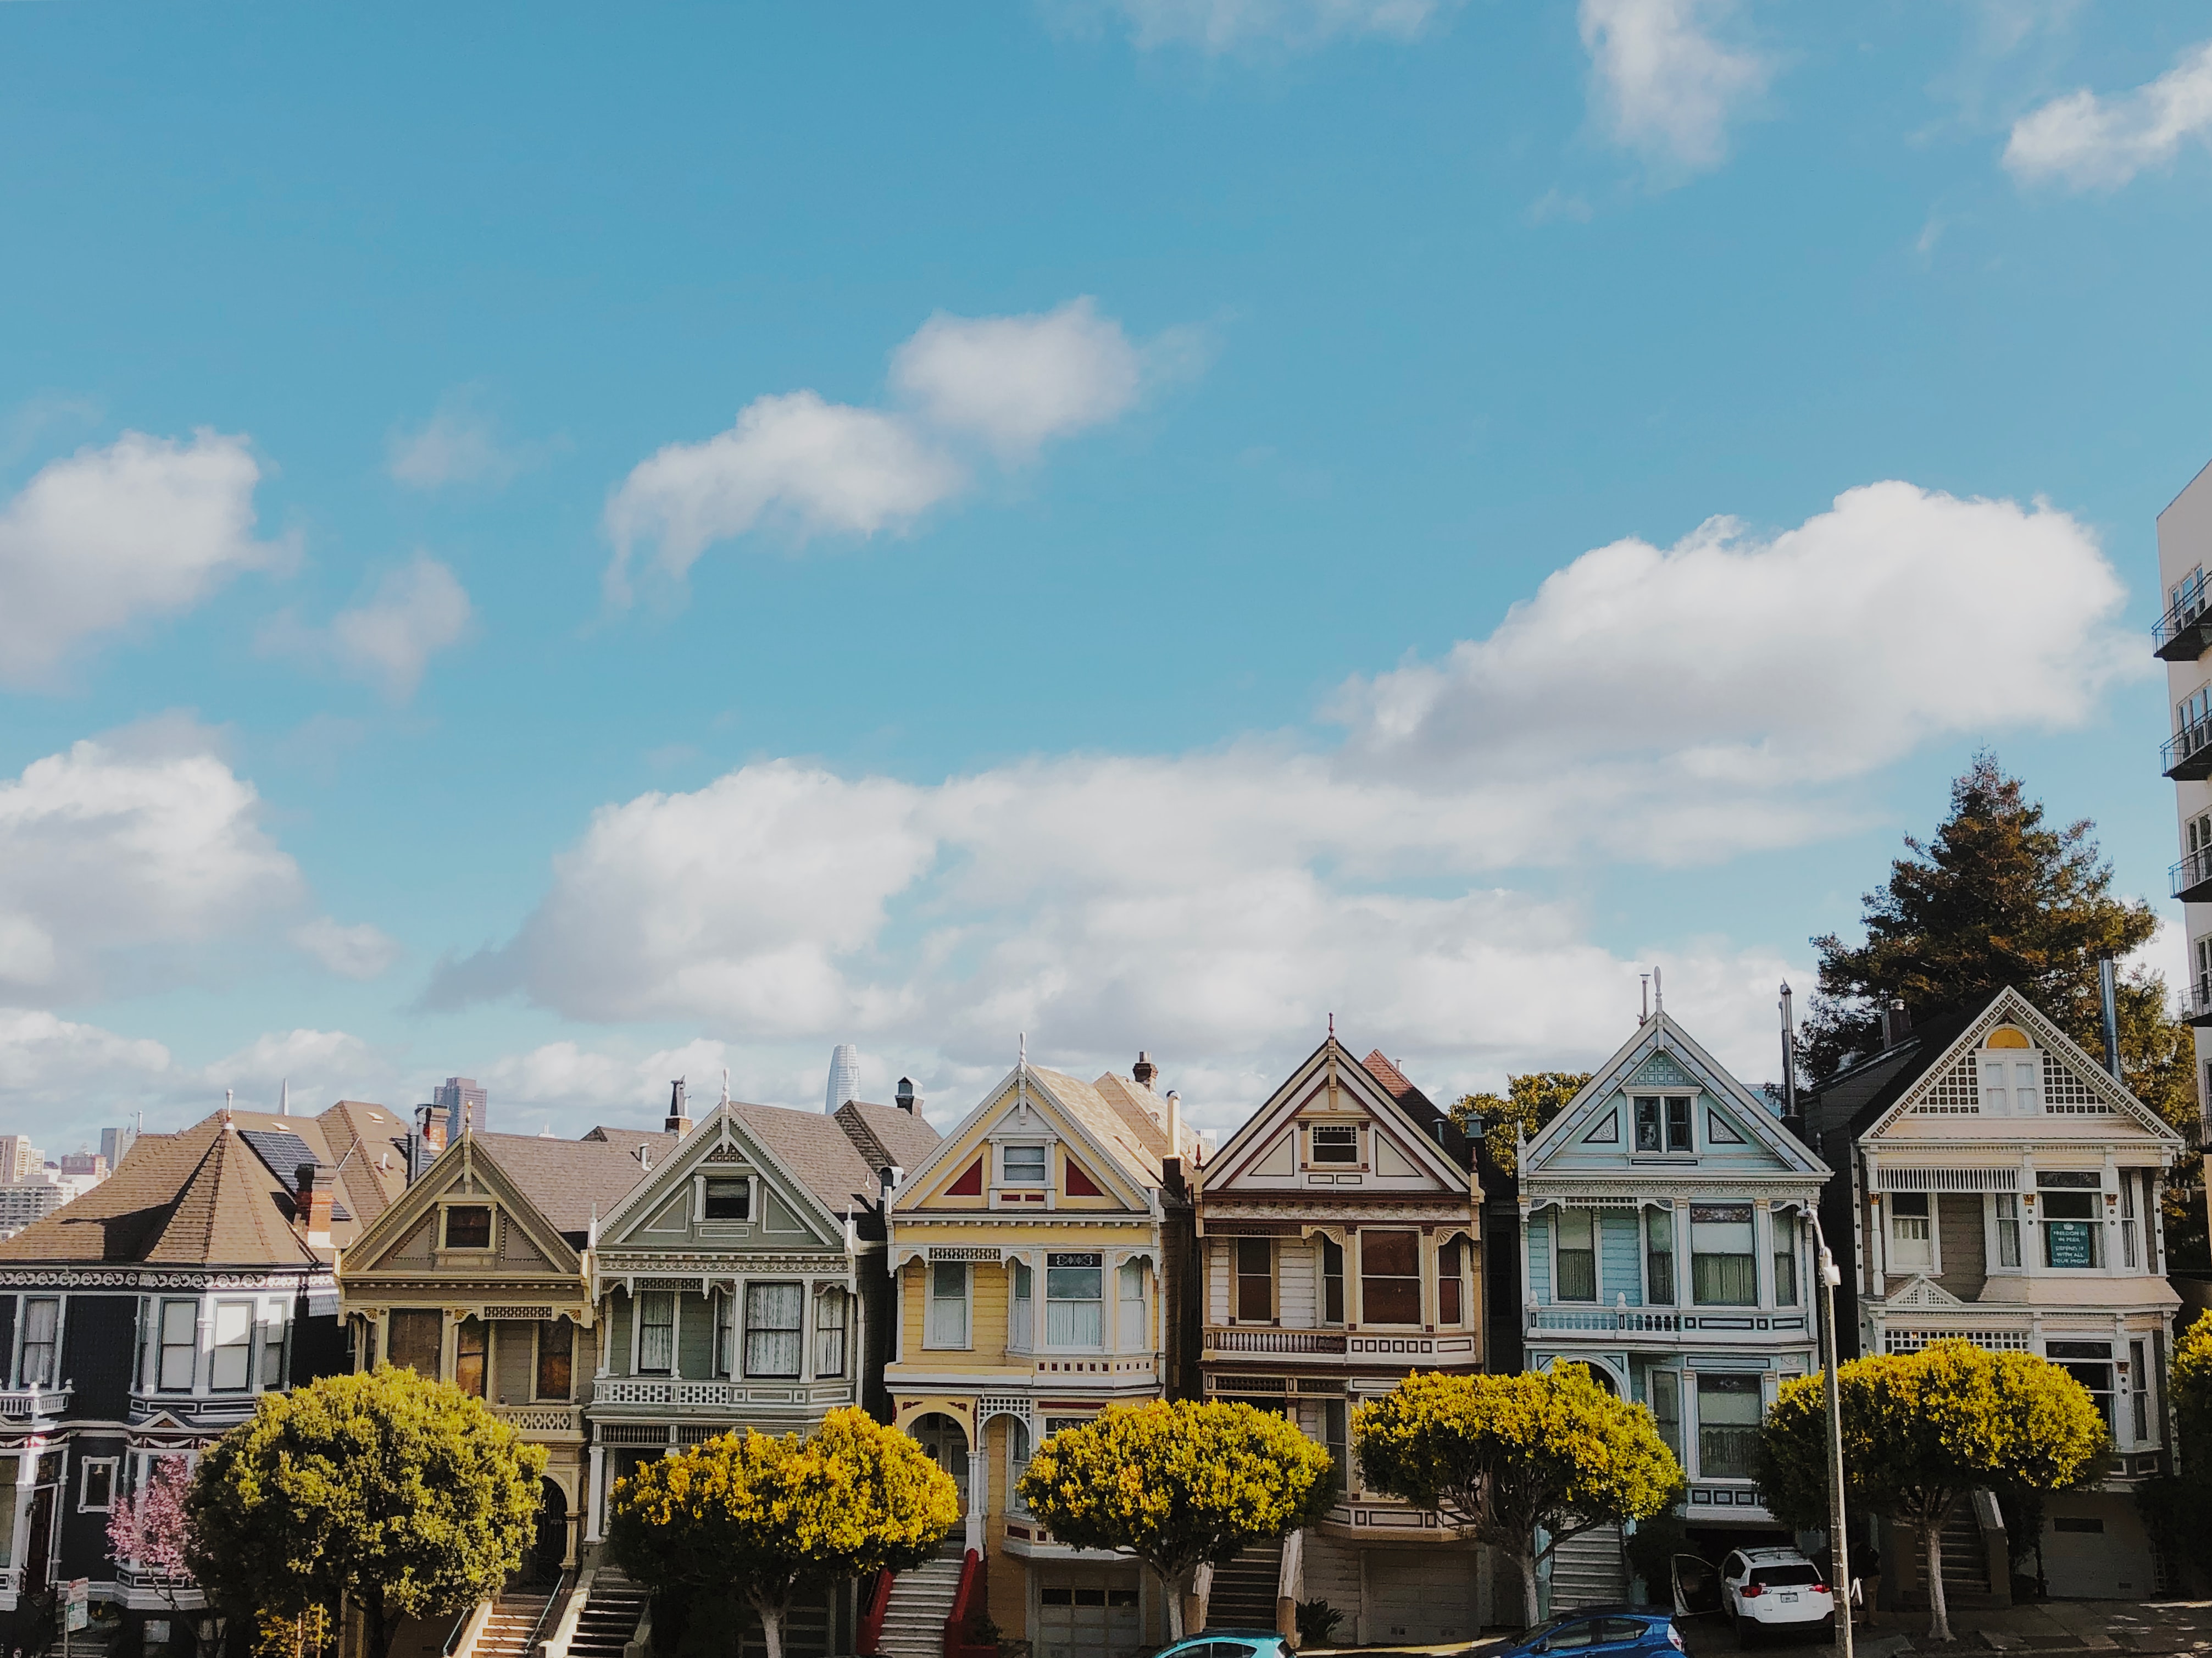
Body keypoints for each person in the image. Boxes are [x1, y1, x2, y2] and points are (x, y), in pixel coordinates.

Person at [1854, 1543, 1882, 1629]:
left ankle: (1872, 1621)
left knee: (1869, 1600)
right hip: (1875, 1575)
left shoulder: (1859, 1552)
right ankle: (1871, 1619)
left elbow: (1858, 1566)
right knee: (1872, 1599)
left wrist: (1856, 1575)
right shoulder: (1869, 1550)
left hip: (1868, 1577)